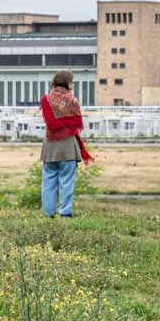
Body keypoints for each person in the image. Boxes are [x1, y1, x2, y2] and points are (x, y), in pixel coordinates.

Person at [38, 70, 92, 218]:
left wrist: (59, 122)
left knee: (48, 183)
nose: (73, 84)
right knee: (66, 182)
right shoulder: (72, 100)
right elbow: (77, 123)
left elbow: (51, 124)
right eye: (72, 81)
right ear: (66, 82)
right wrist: (66, 123)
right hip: (68, 146)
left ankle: (48, 215)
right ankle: (65, 214)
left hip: (50, 147)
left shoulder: (46, 99)